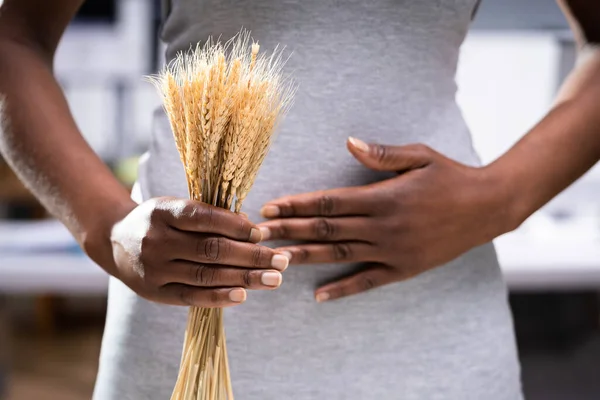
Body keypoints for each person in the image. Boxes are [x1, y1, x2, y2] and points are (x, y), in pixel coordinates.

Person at [1, 0, 599, 398]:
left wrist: (500, 198)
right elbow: (14, 37)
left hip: (439, 349)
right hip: (190, 348)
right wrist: (109, 228)